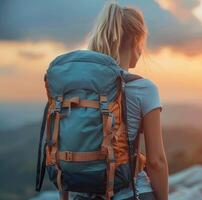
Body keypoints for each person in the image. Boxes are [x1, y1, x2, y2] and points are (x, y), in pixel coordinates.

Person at [73, 1, 168, 200]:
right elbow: (156, 161)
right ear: (135, 40)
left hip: (83, 193)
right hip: (131, 193)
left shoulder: (81, 86)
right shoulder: (144, 89)